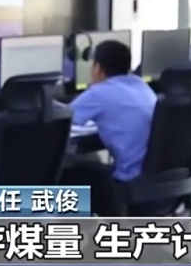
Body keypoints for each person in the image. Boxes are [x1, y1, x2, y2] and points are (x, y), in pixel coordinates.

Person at [60, 40, 157, 215]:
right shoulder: (141, 84)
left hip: (130, 179)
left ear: (97, 68)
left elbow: (62, 119)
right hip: (156, 179)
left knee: (67, 174)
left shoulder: (99, 92)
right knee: (92, 161)